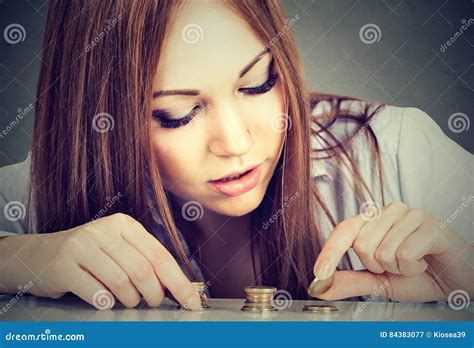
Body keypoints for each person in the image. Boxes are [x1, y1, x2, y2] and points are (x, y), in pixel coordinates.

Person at [0, 0, 472, 310]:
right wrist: (15, 258)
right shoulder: (58, 184)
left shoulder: (394, 151)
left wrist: (467, 280)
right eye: (177, 114)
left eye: (257, 83)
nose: (237, 142)